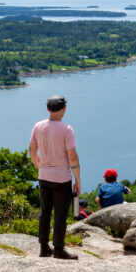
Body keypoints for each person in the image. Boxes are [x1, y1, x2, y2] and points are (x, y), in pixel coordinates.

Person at [29, 95, 81, 259]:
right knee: (60, 214)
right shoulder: (66, 129)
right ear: (64, 109)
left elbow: (32, 150)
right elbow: (72, 157)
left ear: (48, 109)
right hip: (61, 178)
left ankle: (44, 248)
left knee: (45, 212)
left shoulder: (38, 126)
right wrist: (77, 180)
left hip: (44, 176)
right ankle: (58, 249)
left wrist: (40, 166)